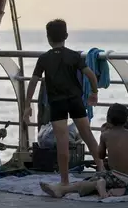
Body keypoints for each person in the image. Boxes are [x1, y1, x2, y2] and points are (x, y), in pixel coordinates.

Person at [23, 19, 104, 185]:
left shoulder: (44, 58)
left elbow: (33, 82)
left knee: (62, 141)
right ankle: (102, 171)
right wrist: (94, 93)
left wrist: (27, 105)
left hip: (56, 102)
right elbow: (90, 75)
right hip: (75, 100)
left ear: (48, 38)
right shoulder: (74, 56)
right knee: (88, 135)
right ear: (66, 35)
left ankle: (65, 180)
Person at [41, 103, 128, 199]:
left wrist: (125, 174)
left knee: (91, 182)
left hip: (122, 179)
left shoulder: (107, 135)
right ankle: (96, 187)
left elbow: (100, 155)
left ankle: (63, 190)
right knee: (94, 180)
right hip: (125, 179)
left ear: (108, 120)